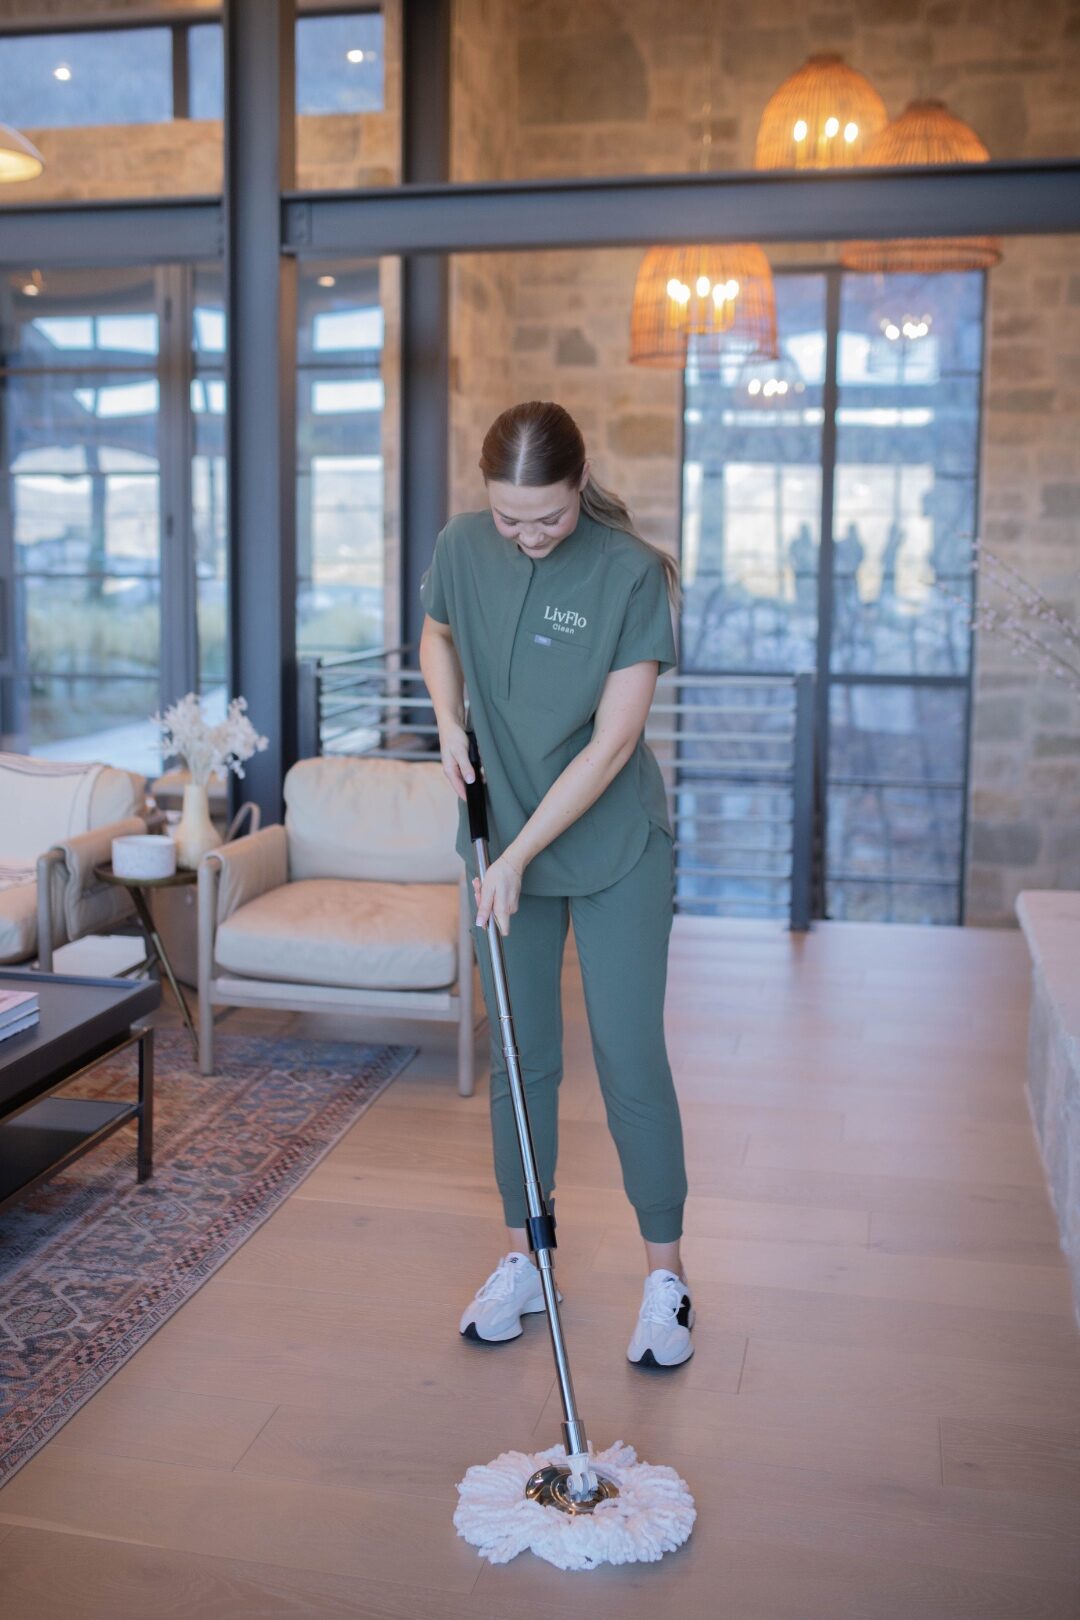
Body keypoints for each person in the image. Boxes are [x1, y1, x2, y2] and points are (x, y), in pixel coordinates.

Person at [418, 399, 694, 1369]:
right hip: (502, 843)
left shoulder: (628, 574)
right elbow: (437, 636)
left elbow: (615, 744)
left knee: (626, 1052)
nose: (529, 537)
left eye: (550, 517)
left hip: (610, 844)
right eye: (510, 519)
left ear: (582, 488)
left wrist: (521, 854)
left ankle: (667, 1278)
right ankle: (527, 1259)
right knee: (522, 1057)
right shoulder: (460, 545)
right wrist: (449, 724)